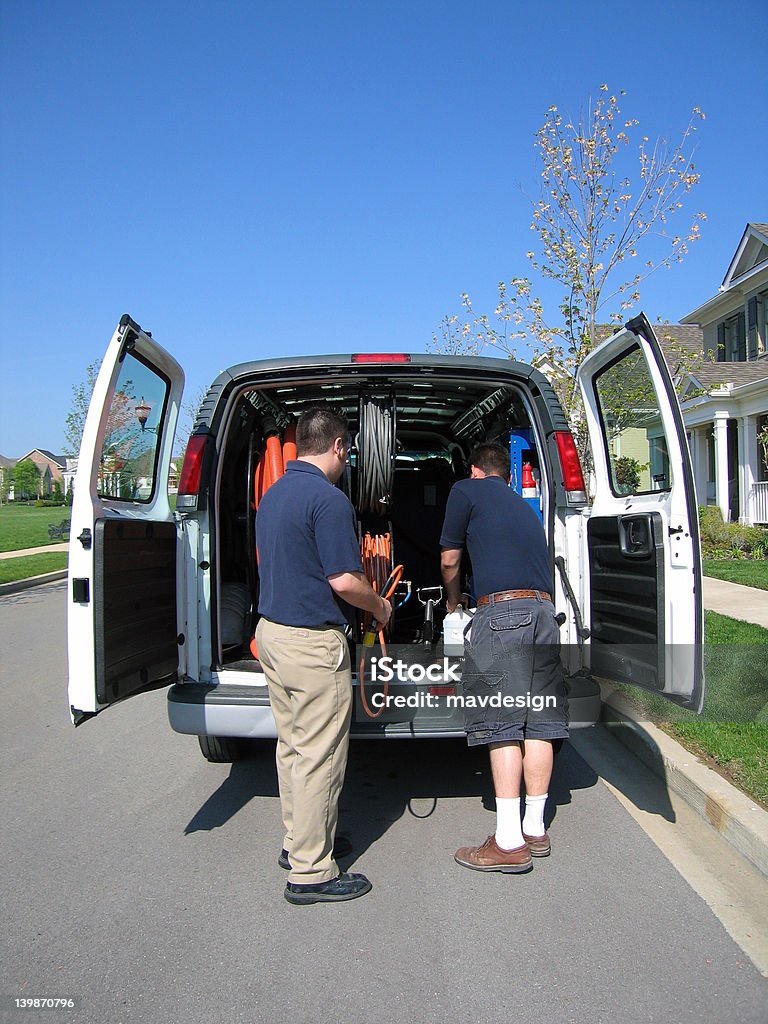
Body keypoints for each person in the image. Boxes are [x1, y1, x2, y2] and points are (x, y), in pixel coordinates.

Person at [255, 407, 392, 904]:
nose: (349, 458)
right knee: (321, 756)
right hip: (312, 645)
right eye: (348, 451)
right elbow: (344, 580)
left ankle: (300, 843)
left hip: (272, 635)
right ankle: (311, 873)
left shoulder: (273, 496)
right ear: (337, 447)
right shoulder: (329, 501)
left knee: (292, 748)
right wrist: (380, 607)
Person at [439, 441, 568, 873]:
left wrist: (454, 603)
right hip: (544, 615)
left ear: (475, 470)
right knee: (540, 720)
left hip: (504, 615)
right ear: (506, 474)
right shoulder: (524, 506)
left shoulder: (465, 491)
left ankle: (509, 842)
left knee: (502, 723)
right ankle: (535, 827)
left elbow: (450, 558)